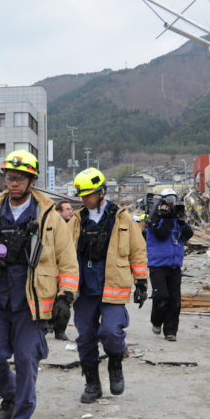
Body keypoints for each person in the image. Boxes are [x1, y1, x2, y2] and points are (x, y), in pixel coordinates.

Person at [0, 151, 79, 419]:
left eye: (19, 178)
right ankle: (11, 394)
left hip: (32, 304)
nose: (12, 183)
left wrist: (65, 298)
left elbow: (68, 264)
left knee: (27, 361)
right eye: (9, 177)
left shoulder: (50, 218)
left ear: (31, 180)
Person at [68, 168, 148, 403]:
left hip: (112, 285)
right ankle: (92, 383)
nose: (84, 199)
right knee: (85, 338)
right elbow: (62, 254)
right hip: (84, 290)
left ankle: (115, 364)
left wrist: (141, 282)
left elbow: (137, 251)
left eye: (88, 194)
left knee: (111, 332)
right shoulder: (75, 220)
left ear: (101, 192)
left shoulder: (122, 218)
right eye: (81, 195)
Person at [145, 188, 194, 341]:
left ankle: (171, 331)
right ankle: (157, 321)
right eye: (168, 200)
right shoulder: (155, 217)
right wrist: (165, 217)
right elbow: (161, 235)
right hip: (157, 264)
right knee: (161, 296)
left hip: (174, 265)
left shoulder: (177, 218)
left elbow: (188, 235)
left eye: (173, 200)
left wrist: (181, 221)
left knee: (174, 300)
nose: (171, 204)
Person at [49, 199, 75, 340]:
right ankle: (49, 324)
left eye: (71, 209)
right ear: (58, 212)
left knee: (64, 302)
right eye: (67, 209)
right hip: (51, 271)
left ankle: (60, 330)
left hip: (66, 271)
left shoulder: (72, 225)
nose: (70, 211)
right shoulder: (52, 226)